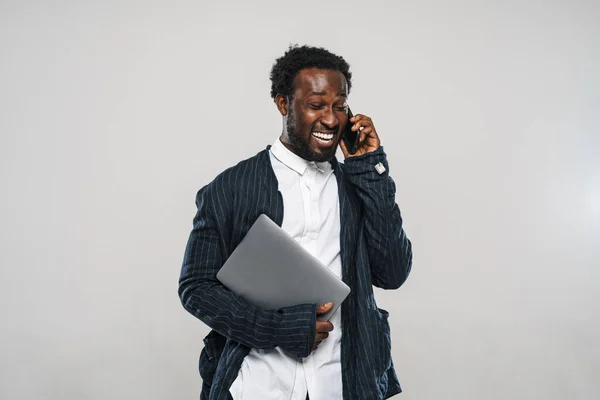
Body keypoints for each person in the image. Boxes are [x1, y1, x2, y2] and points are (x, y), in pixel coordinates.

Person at [179, 44, 413, 400]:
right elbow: (196, 288)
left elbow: (393, 272)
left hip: (346, 383)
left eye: (339, 105)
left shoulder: (359, 184)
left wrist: (371, 168)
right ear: (284, 104)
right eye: (316, 105)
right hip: (258, 385)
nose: (332, 120)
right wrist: (276, 328)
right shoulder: (230, 188)